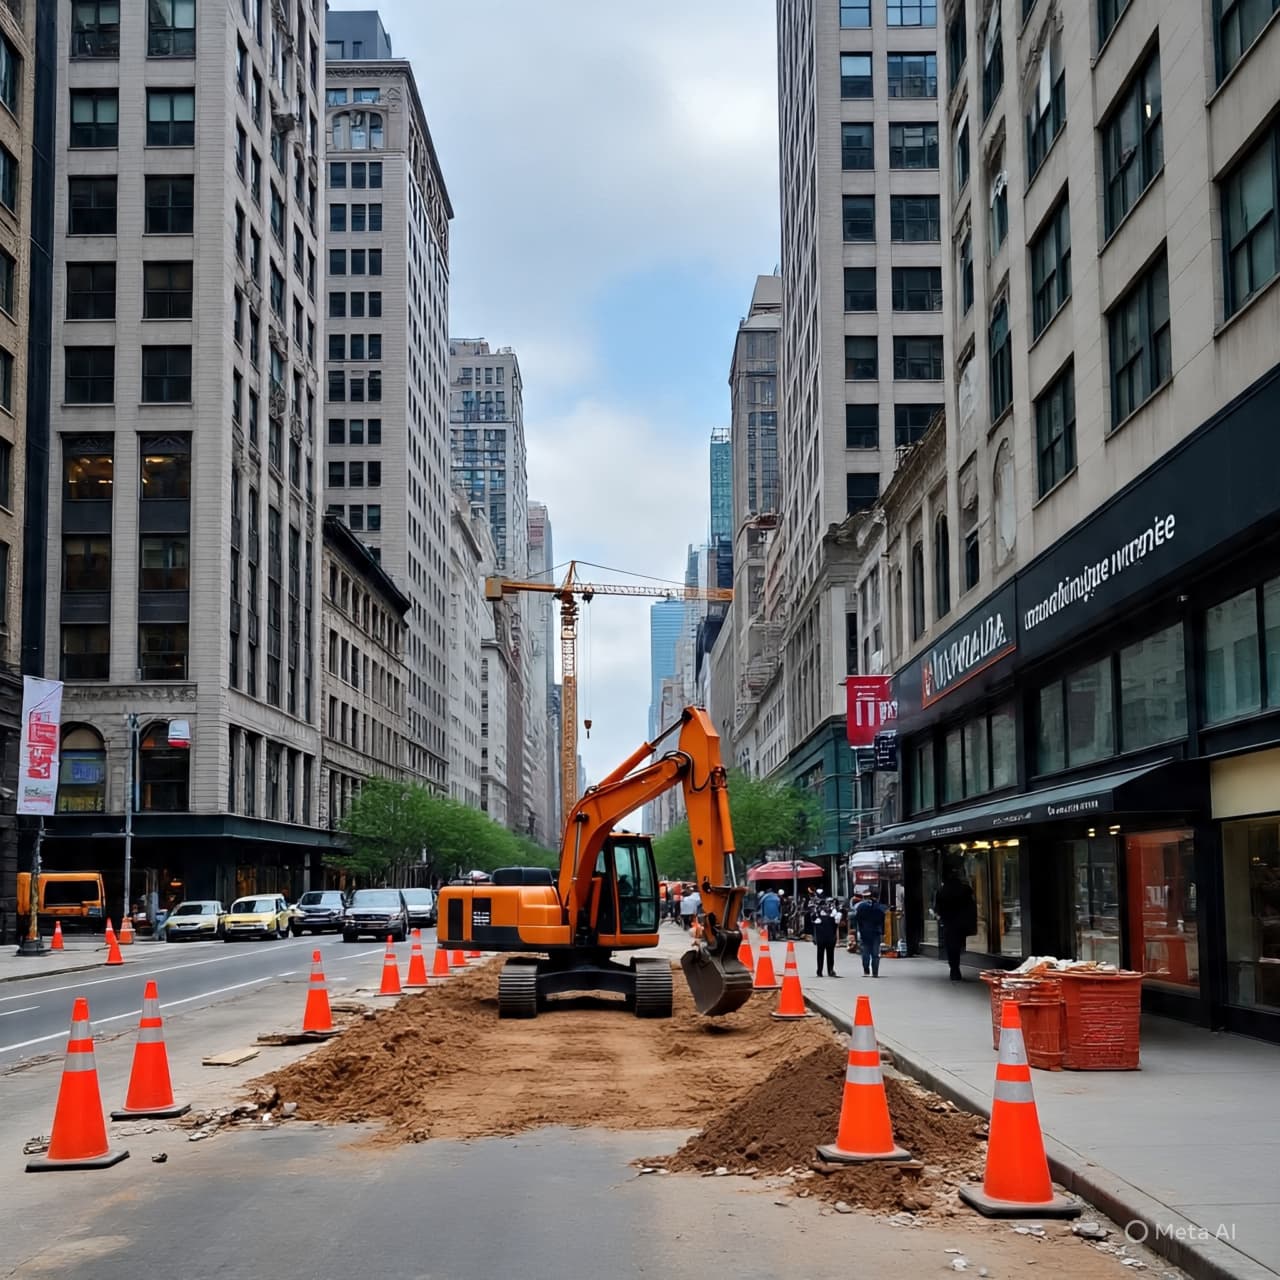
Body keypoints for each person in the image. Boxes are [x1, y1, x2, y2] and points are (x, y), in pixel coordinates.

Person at [933, 863, 978, 981]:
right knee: (958, 945)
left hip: (949, 923)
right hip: (962, 923)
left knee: (951, 947)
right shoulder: (965, 889)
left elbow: (938, 908)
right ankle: (956, 966)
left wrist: (941, 917)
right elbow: (971, 906)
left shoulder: (942, 891)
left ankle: (954, 969)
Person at [852, 885, 889, 977]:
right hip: (876, 932)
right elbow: (882, 919)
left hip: (864, 932)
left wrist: (859, 931)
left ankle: (866, 971)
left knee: (865, 952)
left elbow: (857, 920)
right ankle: (875, 972)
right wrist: (883, 932)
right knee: (875, 953)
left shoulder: (860, 907)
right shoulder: (878, 907)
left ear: (864, 897)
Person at [812, 890, 841, 977]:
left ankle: (823, 971)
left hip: (826, 935)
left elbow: (814, 922)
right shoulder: (817, 908)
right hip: (827, 935)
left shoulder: (818, 909)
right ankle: (826, 970)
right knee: (828, 954)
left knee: (825, 954)